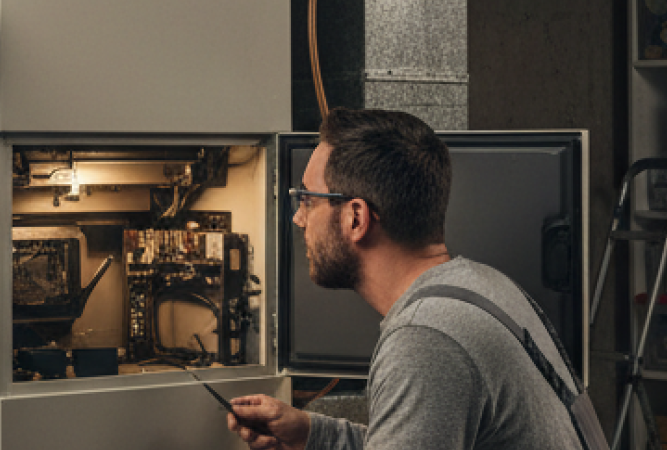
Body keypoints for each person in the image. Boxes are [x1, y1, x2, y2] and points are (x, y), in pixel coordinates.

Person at [227, 108, 588, 450]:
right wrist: (313, 434)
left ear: (356, 218)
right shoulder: (482, 285)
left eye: (307, 199)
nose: (298, 219)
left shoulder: (426, 337)